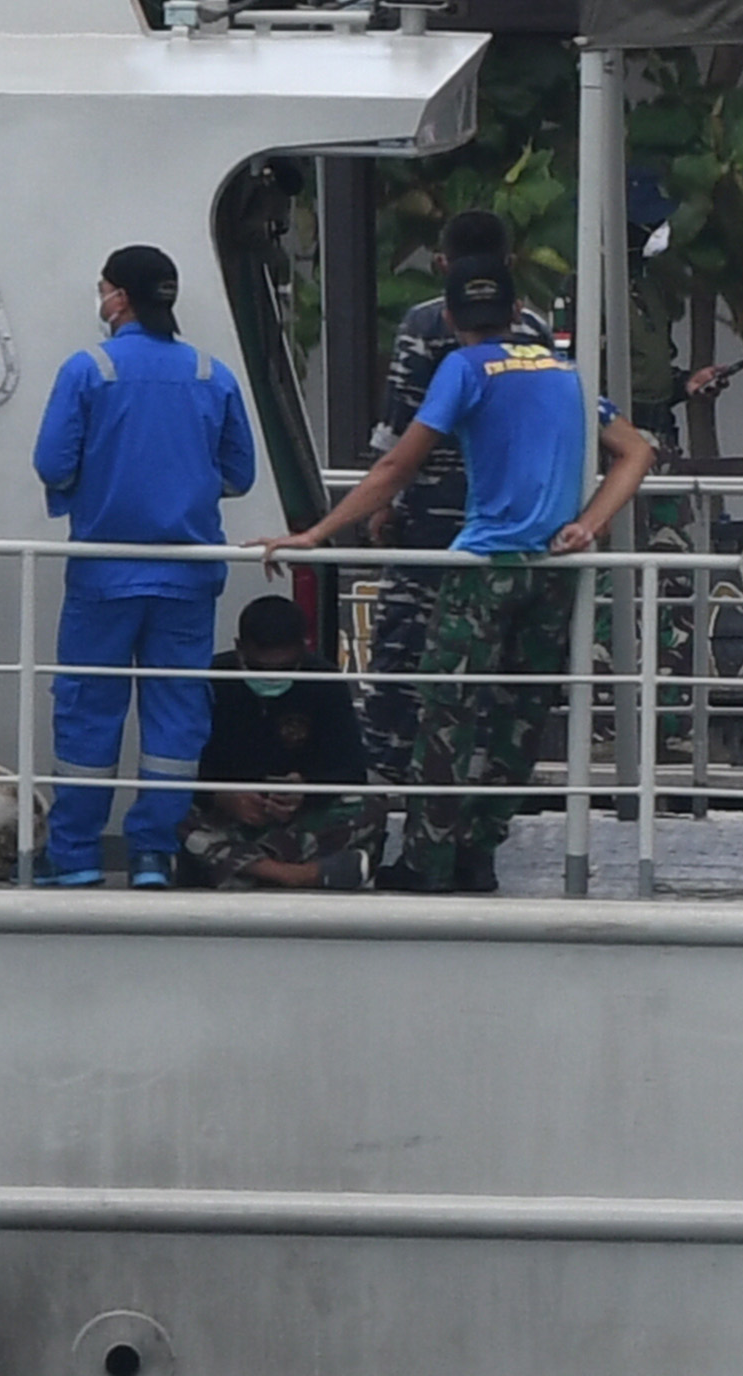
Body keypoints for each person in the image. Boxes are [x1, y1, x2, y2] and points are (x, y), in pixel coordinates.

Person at [277, 253, 653, 891]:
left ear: (451, 318)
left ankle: (426, 862)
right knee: (520, 715)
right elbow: (638, 449)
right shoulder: (566, 372)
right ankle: (481, 854)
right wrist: (590, 522)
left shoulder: (463, 367)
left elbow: (398, 465)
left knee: (447, 715)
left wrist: (316, 534)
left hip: (483, 567)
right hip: (553, 571)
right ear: (515, 313)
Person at [32, 245, 257, 887]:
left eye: (103, 288)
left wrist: (92, 486)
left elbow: (52, 465)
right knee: (175, 719)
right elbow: (240, 475)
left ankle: (74, 858)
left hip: (103, 575)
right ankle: (154, 853)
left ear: (119, 298)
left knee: (87, 712)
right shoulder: (213, 374)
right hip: (188, 578)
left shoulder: (88, 370)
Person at [361, 209, 559, 846]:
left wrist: (378, 506)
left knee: (406, 654)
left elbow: (399, 425)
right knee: (497, 676)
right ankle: (479, 806)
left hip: (433, 515)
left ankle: (397, 792)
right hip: (516, 518)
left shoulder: (427, 322)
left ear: (443, 264)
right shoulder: (536, 328)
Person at [180, 596, 376, 890]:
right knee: (170, 808)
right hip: (226, 816)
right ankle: (297, 875)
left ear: (303, 649)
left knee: (370, 806)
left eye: (284, 669)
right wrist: (221, 797)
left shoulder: (324, 681)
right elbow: (182, 763)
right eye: (259, 668)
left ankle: (247, 869)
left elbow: (349, 768)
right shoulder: (212, 681)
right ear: (239, 648)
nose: (271, 679)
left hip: (297, 819)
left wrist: (305, 790)